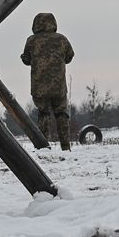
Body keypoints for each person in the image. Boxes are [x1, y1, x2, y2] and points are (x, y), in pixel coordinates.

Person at [21, 12, 75, 150]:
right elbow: (69, 56)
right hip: (59, 86)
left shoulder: (32, 41)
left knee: (43, 114)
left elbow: (26, 60)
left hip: (39, 87)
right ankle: (65, 146)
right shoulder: (62, 39)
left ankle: (44, 147)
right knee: (61, 114)